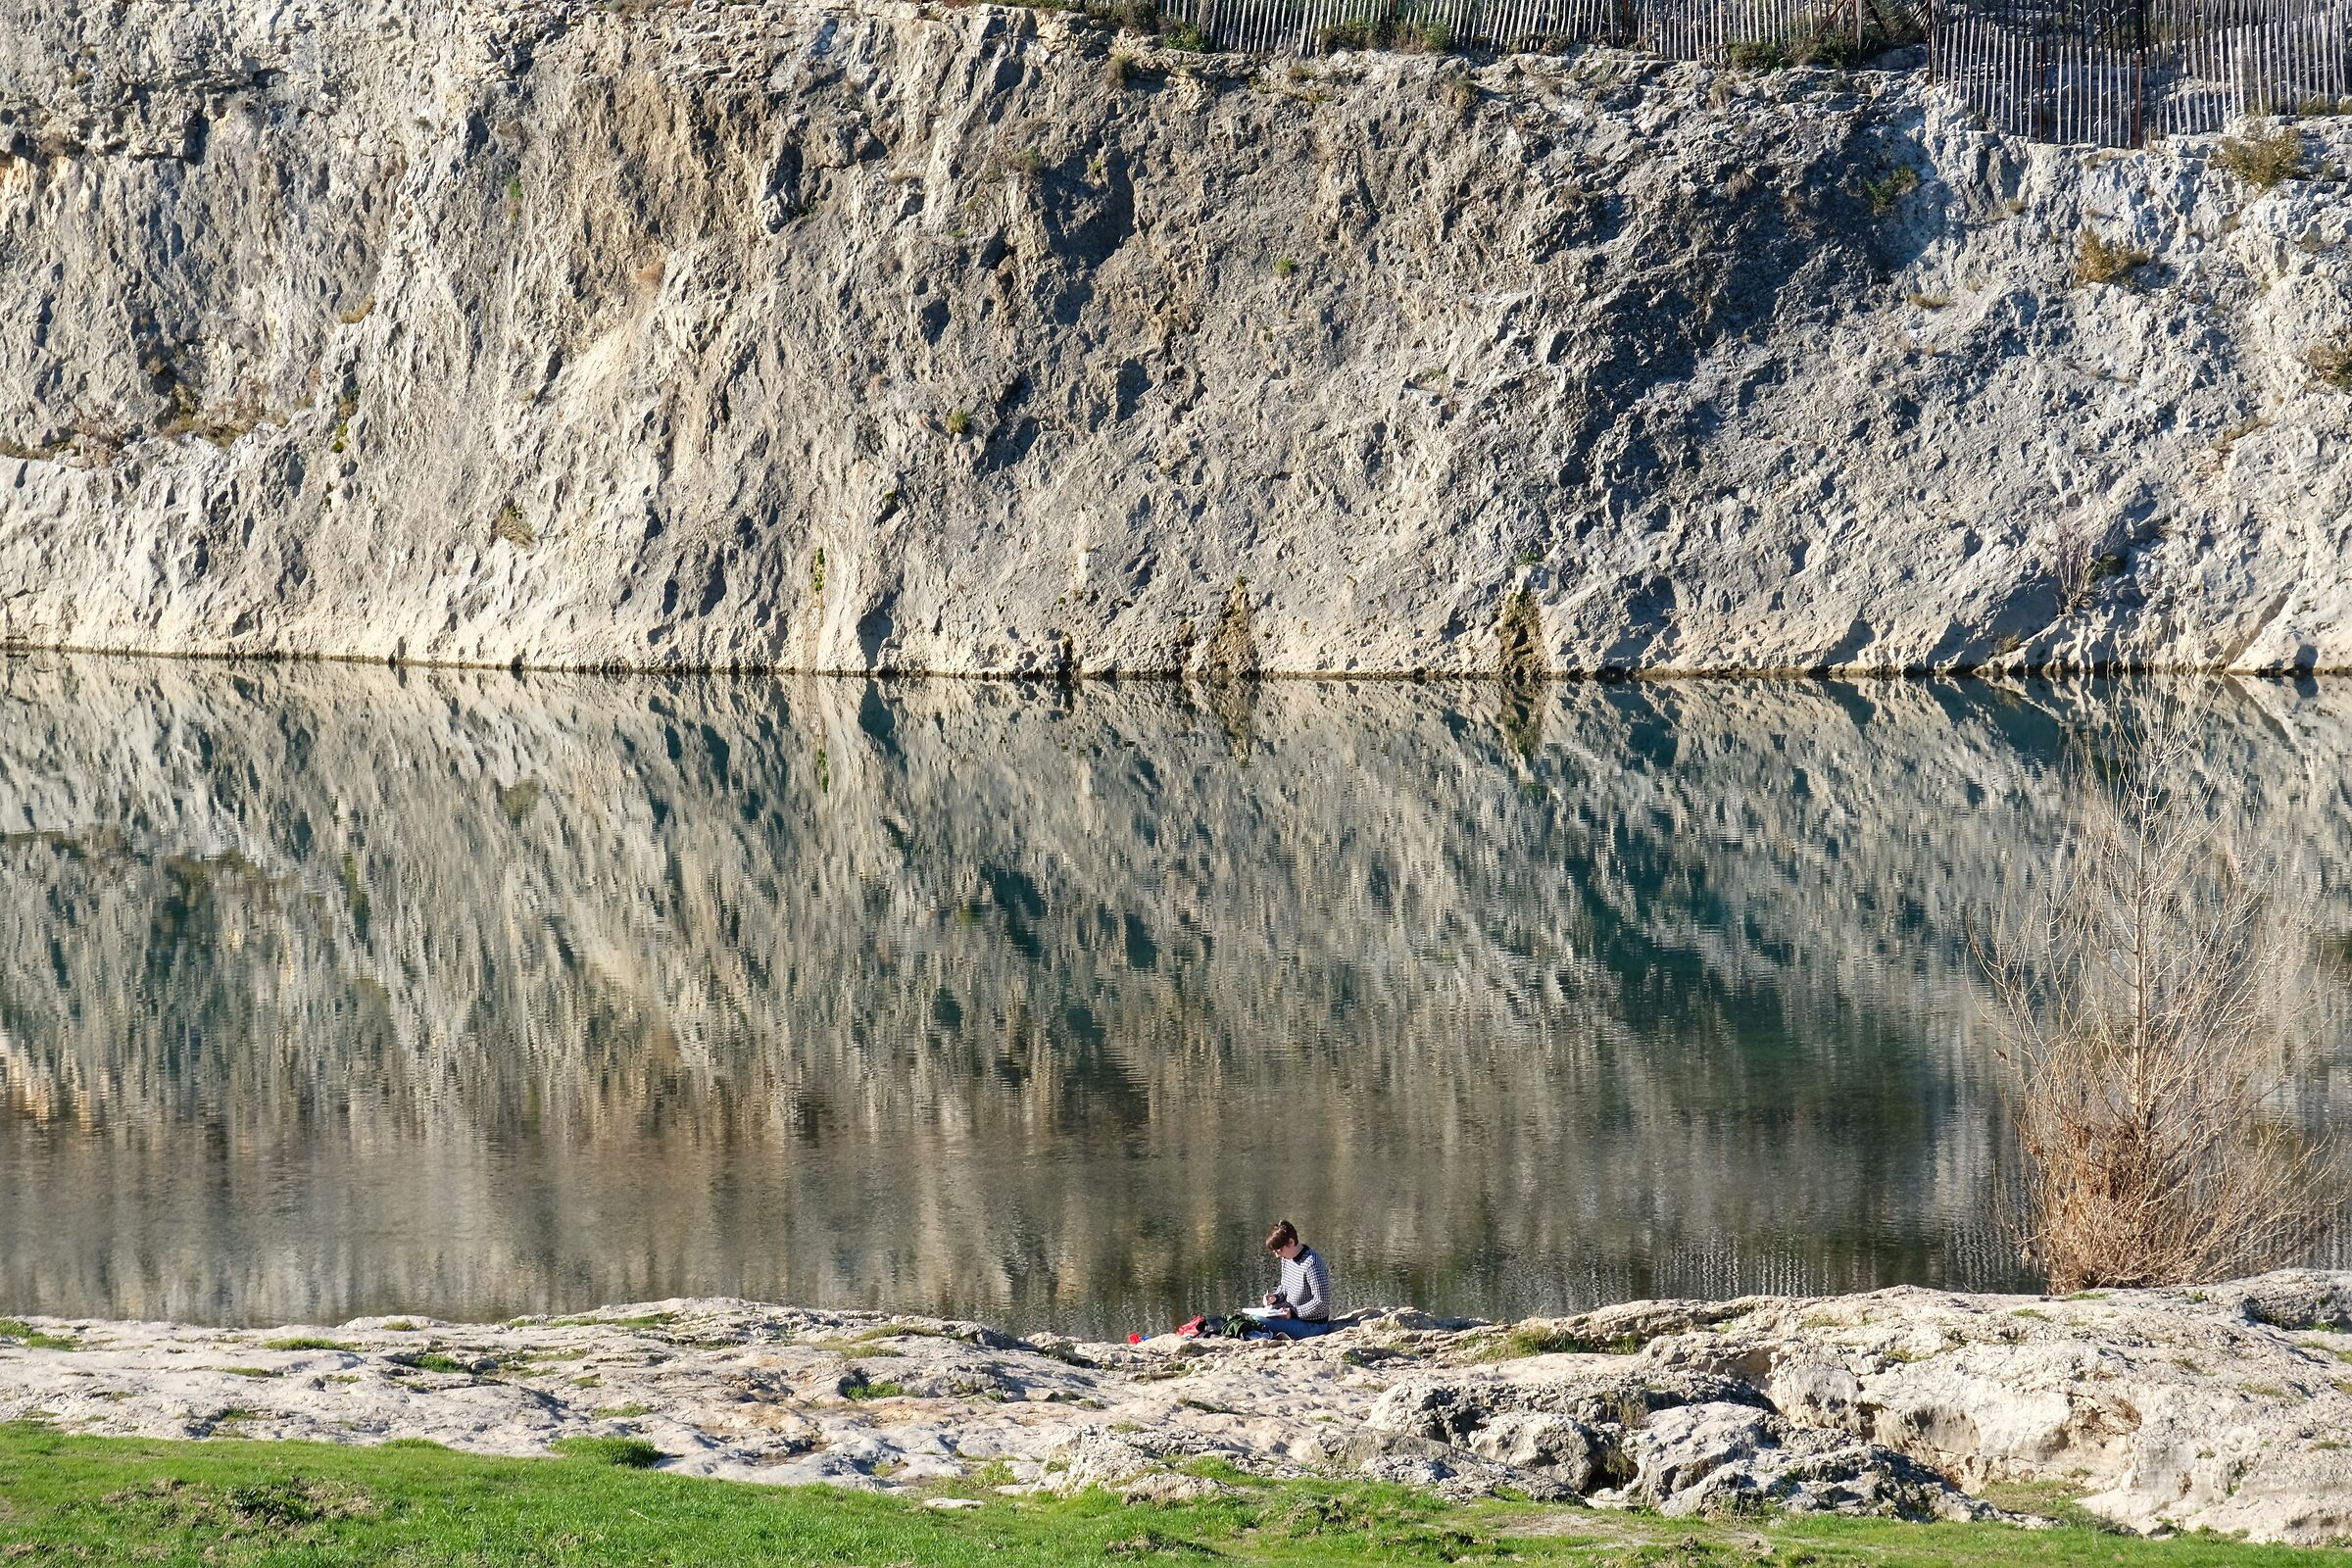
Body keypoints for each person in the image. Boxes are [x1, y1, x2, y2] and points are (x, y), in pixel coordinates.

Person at [1247, 1219, 1332, 1339]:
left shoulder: (1312, 1264)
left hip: (1313, 1325)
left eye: (1279, 1250)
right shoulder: (1287, 1259)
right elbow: (1285, 1287)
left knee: (1256, 1321)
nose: (1277, 1255)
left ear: (1291, 1242)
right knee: (1251, 1319)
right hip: (1291, 1316)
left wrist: (1293, 1312)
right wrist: (1274, 1298)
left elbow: (1322, 1302)